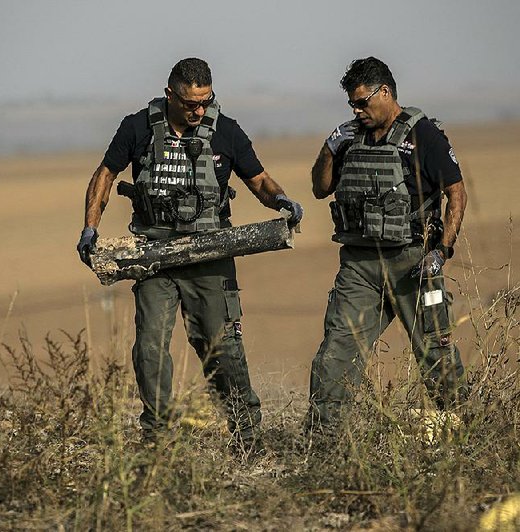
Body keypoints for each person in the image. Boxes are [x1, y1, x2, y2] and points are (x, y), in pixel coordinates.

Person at [76, 58, 302, 451]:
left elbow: (260, 180)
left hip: (209, 255)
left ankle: (247, 436)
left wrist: (281, 201)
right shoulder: (137, 128)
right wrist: (90, 226)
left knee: (221, 348)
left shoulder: (226, 132)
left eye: (205, 101)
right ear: (170, 96)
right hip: (154, 257)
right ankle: (158, 439)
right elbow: (105, 175)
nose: (198, 110)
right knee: (149, 348)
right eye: (190, 103)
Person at [306, 57, 468, 431]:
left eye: (362, 102)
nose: (356, 110)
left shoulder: (423, 134)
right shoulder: (350, 136)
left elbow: (456, 195)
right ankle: (322, 443)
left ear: (386, 92)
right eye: (351, 104)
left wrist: (441, 252)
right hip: (359, 267)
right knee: (336, 352)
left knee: (434, 351)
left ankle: (465, 428)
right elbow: (319, 188)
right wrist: (330, 146)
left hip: (413, 261)